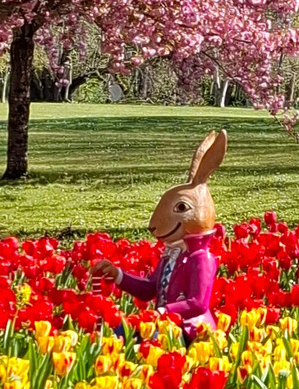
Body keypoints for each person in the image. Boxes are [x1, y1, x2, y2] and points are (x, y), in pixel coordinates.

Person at [90, 130, 226, 344]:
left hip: (188, 330)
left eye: (181, 208)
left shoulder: (201, 259)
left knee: (138, 341)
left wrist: (162, 312)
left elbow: (198, 303)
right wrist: (118, 275)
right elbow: (149, 289)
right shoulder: (170, 254)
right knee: (117, 332)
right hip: (163, 324)